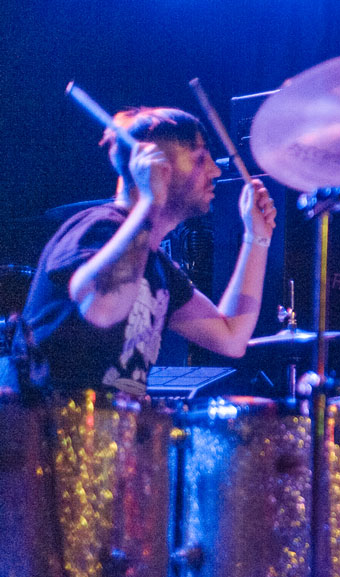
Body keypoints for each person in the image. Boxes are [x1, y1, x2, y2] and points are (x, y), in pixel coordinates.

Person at [17, 106, 277, 395]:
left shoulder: (156, 267)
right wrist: (150, 203)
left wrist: (257, 239)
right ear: (153, 163)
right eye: (201, 159)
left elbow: (230, 336)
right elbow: (102, 307)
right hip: (51, 433)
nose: (215, 171)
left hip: (105, 435)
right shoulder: (96, 229)